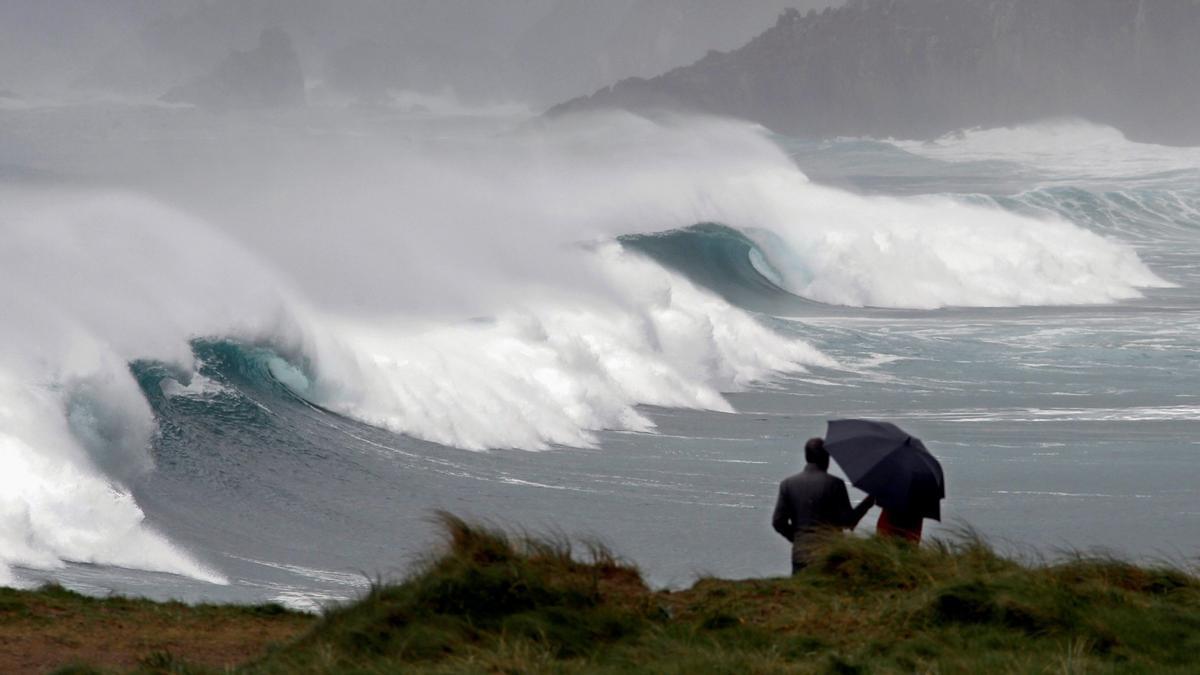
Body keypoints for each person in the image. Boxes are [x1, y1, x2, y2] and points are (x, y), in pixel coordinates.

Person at [772, 437, 875, 573]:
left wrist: (798, 537)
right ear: (827, 458)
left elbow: (778, 522)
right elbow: (849, 522)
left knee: (801, 591)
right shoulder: (835, 484)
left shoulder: (788, 484)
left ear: (806, 457)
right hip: (829, 551)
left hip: (801, 552)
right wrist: (869, 501)